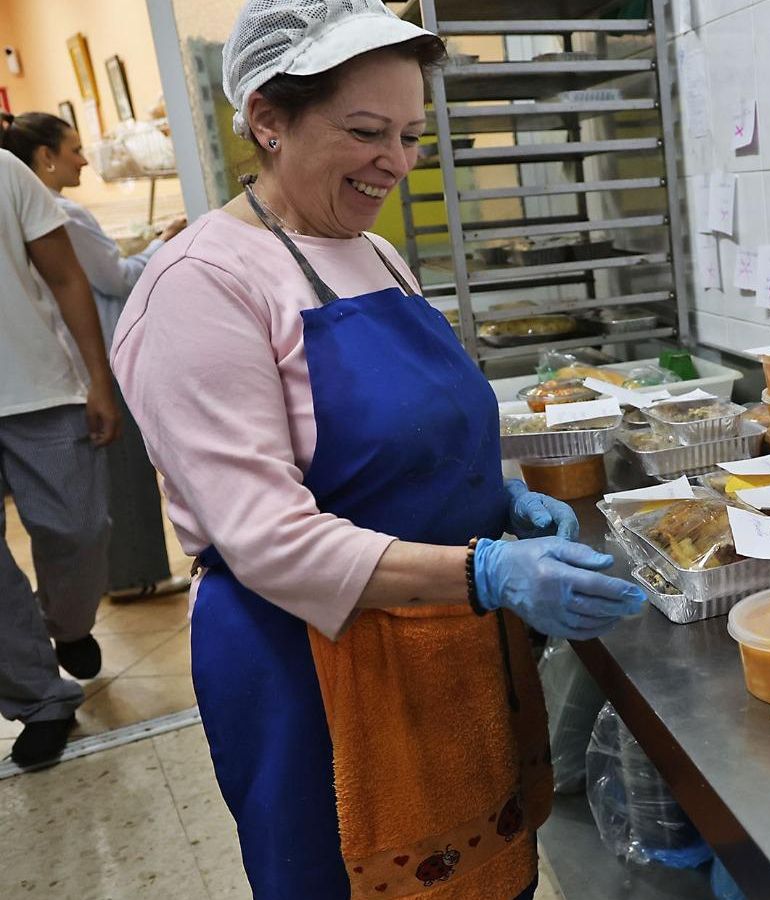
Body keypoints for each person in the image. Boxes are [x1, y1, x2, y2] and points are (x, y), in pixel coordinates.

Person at [112, 1, 645, 896]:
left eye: (408, 133)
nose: (396, 162)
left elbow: (421, 433)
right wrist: (489, 572)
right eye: (366, 131)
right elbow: (268, 539)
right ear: (267, 119)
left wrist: (498, 502)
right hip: (310, 666)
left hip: (439, 645)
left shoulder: (379, 255)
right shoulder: (202, 286)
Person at [4, 111, 189, 600]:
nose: (84, 159)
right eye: (74, 149)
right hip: (94, 359)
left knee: (89, 504)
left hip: (67, 367)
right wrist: (163, 243)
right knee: (123, 475)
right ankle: (133, 576)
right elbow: (116, 278)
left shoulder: (30, 197)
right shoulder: (59, 209)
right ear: (45, 157)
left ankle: (103, 590)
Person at [0, 115, 121, 769]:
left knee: (78, 529)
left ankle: (69, 625)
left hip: (40, 389)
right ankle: (40, 697)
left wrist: (98, 380)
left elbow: (70, 277)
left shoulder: (7, 172)